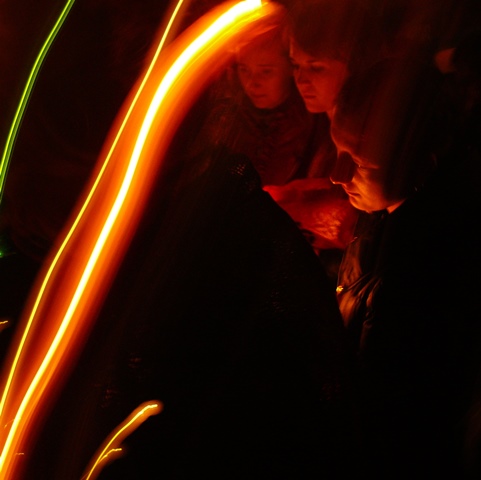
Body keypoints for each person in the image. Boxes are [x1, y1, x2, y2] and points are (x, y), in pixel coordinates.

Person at [329, 56, 481, 478]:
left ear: (420, 162)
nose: (336, 175)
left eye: (359, 162)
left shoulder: (428, 273)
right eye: (336, 149)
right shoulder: (389, 212)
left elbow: (390, 408)